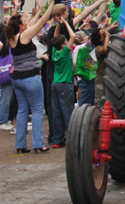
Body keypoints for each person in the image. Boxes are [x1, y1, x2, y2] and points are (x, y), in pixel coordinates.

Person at [6, 2, 54, 154]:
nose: (26, 23)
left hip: (17, 78)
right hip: (30, 77)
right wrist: (51, 5)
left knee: (22, 110)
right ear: (20, 26)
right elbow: (40, 24)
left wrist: (37, 12)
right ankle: (38, 143)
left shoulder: (11, 38)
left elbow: (32, 24)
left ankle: (20, 144)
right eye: (23, 22)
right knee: (37, 110)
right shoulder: (24, 36)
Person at [49, 11, 76, 148]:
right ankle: (71, 138)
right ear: (62, 45)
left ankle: (58, 139)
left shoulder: (55, 51)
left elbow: (54, 37)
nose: (67, 42)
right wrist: (65, 22)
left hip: (55, 83)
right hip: (65, 84)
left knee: (57, 112)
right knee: (67, 111)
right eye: (65, 42)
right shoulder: (65, 52)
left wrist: (57, 26)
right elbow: (73, 35)